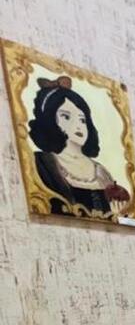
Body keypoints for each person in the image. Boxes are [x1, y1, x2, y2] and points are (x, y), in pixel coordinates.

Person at [28, 75, 129, 218]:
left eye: (82, 119)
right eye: (66, 117)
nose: (78, 125)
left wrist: (119, 212)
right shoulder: (41, 163)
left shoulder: (101, 172)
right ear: (50, 120)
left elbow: (116, 216)